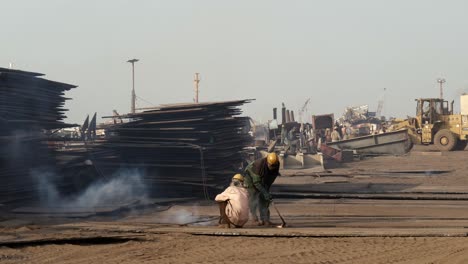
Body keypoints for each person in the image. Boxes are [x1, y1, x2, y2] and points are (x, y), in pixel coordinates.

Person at [243, 153, 280, 226]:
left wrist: (267, 191)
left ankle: (265, 220)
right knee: (253, 197)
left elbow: (271, 178)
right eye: (271, 165)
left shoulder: (276, 164)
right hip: (250, 179)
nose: (272, 167)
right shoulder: (258, 165)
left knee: (265, 200)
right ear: (267, 161)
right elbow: (256, 183)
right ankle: (254, 219)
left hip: (263, 177)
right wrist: (264, 192)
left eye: (274, 166)